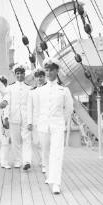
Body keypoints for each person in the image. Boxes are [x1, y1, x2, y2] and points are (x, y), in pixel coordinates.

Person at [34, 57, 73, 194]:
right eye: (47, 70)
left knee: (57, 153)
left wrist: (60, 121)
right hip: (44, 126)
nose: (49, 72)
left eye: (51, 70)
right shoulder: (40, 91)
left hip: (57, 125)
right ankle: (49, 175)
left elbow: (68, 109)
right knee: (45, 152)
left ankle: (56, 182)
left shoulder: (64, 90)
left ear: (57, 71)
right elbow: (37, 110)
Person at [3, 64, 32, 170]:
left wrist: (31, 120)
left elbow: (31, 105)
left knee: (27, 139)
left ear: (24, 74)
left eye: (21, 73)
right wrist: (5, 117)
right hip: (13, 116)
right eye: (18, 73)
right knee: (15, 140)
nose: (20, 75)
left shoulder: (29, 88)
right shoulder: (10, 88)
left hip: (26, 117)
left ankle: (27, 161)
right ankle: (17, 161)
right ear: (15, 75)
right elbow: (7, 103)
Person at [27, 67, 47, 173]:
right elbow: (30, 108)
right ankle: (42, 160)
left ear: (45, 77)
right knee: (36, 142)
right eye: (38, 77)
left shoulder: (48, 89)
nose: (40, 78)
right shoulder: (32, 91)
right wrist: (29, 122)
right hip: (35, 120)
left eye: (41, 76)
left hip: (46, 120)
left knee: (45, 142)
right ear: (35, 78)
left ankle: (45, 163)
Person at [0, 75, 12, 169]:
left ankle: (4, 161)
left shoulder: (8, 94)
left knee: (5, 141)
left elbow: (7, 107)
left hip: (6, 119)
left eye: (3, 83)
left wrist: (6, 119)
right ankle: (0, 160)